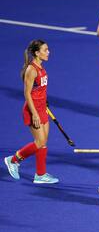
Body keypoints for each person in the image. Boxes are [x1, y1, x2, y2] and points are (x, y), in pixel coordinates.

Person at [4, 40, 59, 184]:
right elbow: (27, 93)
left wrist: (44, 104)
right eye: (45, 50)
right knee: (39, 141)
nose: (48, 52)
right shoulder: (32, 69)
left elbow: (39, 90)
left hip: (42, 108)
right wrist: (34, 113)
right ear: (37, 53)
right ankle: (13, 160)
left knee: (44, 142)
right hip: (32, 110)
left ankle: (40, 175)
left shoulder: (41, 68)